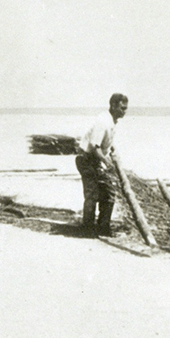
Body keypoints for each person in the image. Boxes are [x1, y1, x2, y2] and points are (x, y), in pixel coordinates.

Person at [75, 93, 129, 237]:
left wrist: (111, 150)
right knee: (92, 194)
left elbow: (104, 144)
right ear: (113, 106)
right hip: (86, 159)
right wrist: (107, 163)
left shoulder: (112, 121)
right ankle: (87, 230)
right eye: (122, 108)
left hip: (95, 160)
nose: (124, 111)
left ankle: (103, 228)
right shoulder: (103, 121)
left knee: (108, 193)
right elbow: (94, 147)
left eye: (126, 109)